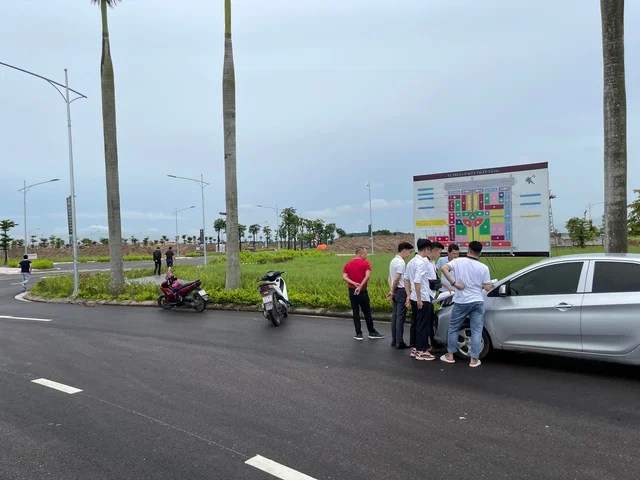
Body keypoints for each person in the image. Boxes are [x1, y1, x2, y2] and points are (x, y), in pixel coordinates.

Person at [439, 240, 493, 368]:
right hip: (478, 301)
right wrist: (488, 285)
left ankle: (450, 355)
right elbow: (486, 287)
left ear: (468, 249)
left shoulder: (458, 261)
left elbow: (443, 268)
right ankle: (474, 359)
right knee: (476, 329)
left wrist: (454, 283)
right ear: (479, 253)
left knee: (453, 327)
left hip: (461, 301)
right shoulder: (483, 267)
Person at [342, 246, 384, 341]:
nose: (367, 255)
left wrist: (353, 283)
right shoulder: (366, 263)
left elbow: (344, 277)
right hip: (362, 291)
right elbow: (367, 276)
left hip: (352, 290)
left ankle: (358, 333)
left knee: (355, 311)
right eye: (365, 254)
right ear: (360, 254)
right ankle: (372, 332)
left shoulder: (348, 264)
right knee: (367, 312)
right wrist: (360, 286)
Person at [410, 239, 440, 361]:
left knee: (416, 324)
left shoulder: (412, 261)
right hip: (422, 297)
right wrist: (419, 299)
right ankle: (422, 351)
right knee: (423, 325)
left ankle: (415, 348)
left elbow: (407, 279)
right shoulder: (422, 262)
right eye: (429, 249)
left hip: (414, 297)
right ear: (426, 249)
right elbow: (417, 281)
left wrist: (410, 296)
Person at [386, 241, 413, 349]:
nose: (409, 254)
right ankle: (399, 342)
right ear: (404, 250)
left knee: (395, 316)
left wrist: (391, 289)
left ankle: (394, 340)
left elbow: (390, 277)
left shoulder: (393, 261)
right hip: (401, 290)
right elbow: (397, 278)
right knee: (400, 317)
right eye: (409, 252)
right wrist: (393, 290)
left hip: (395, 290)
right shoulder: (401, 263)